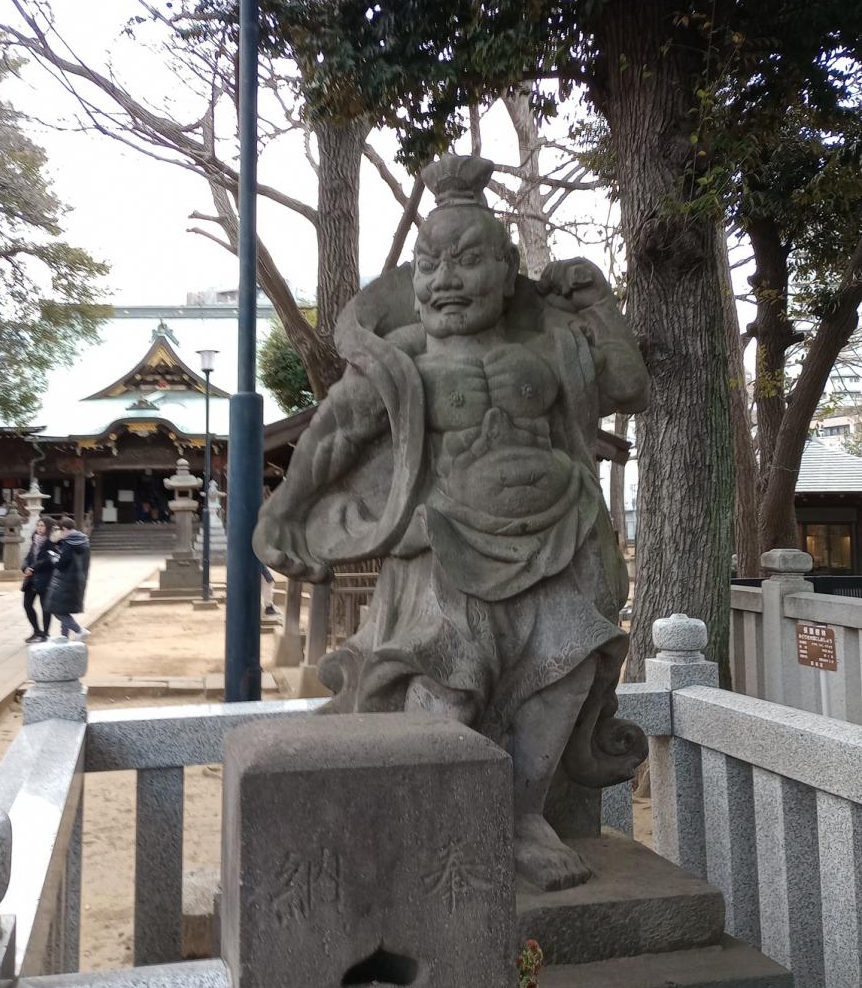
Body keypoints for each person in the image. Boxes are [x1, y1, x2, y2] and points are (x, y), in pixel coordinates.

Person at [254, 152, 650, 892]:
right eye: (430, 264)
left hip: (552, 538)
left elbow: (629, 386)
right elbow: (333, 438)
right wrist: (282, 510)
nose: (446, 280)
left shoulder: (546, 347)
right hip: (443, 545)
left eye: (468, 261)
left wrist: (598, 303)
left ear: (507, 271)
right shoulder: (401, 360)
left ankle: (522, 815)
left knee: (570, 664)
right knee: (447, 671)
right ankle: (438, 827)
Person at [46, 516, 92, 642]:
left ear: (64, 529)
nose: (59, 533)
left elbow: (61, 564)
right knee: (64, 609)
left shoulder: (69, 544)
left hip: (65, 581)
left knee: (57, 610)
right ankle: (64, 637)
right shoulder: (84, 541)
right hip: (78, 580)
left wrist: (53, 558)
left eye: (60, 530)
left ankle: (79, 630)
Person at [21, 516, 56, 643]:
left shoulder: (52, 542)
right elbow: (28, 557)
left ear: (48, 528)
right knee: (27, 604)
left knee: (45, 607)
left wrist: (33, 567)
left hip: (45, 578)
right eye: (38, 525)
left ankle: (45, 634)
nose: (39, 528)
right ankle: (36, 631)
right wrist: (25, 567)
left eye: (42, 526)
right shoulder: (35, 540)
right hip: (31, 579)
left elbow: (49, 559)